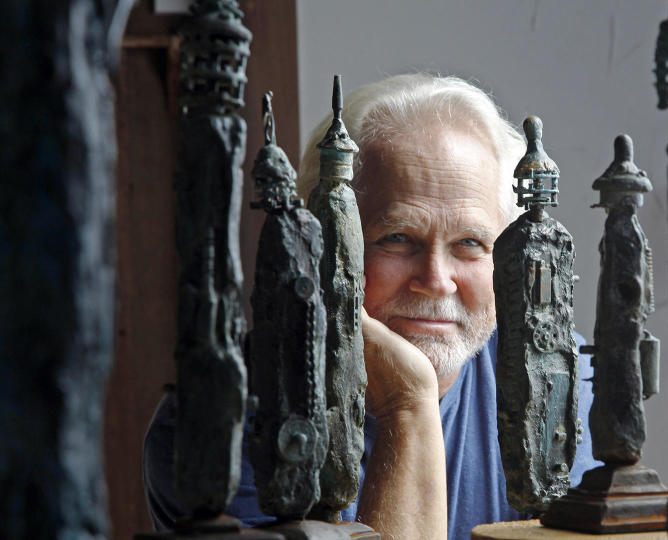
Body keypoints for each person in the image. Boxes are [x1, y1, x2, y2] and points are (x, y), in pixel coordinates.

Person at [143, 73, 598, 540]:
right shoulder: (215, 419)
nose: (436, 281)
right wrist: (408, 407)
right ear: (318, 241)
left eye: (469, 243)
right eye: (397, 239)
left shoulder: (559, 381)